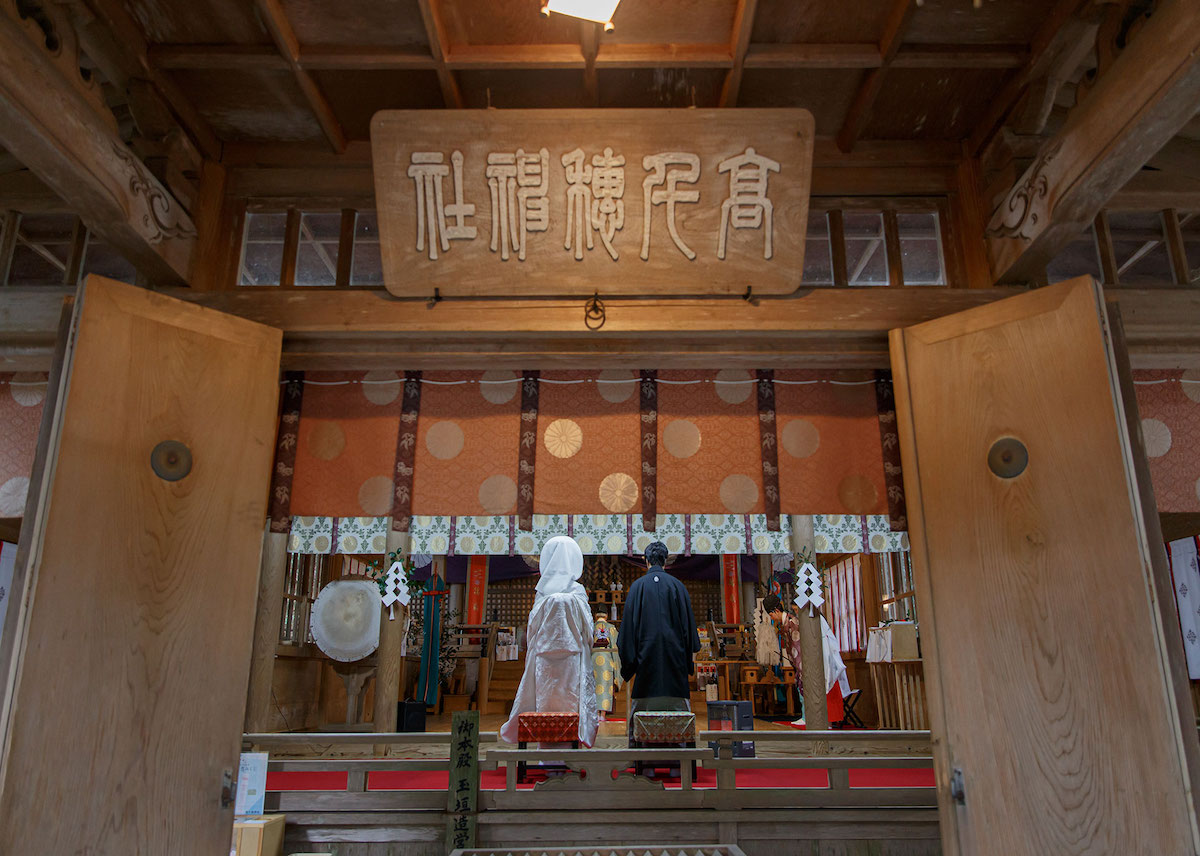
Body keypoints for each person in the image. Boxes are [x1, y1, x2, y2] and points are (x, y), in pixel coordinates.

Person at [500, 536, 599, 747]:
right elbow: (588, 630)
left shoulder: (543, 592)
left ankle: (546, 750)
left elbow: (532, 630)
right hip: (572, 659)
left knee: (546, 703)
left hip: (544, 660)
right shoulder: (577, 592)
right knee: (570, 702)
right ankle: (569, 749)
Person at [618, 541, 701, 735]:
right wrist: (688, 663)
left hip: (645, 665)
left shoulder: (637, 588)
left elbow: (627, 633)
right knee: (681, 720)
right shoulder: (678, 587)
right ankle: (679, 759)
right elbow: (689, 628)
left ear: (645, 560)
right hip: (675, 665)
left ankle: (642, 760)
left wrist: (629, 665)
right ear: (665, 561)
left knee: (640, 719)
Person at [764, 593, 851, 725]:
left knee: (808, 688)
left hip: (807, 659)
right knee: (801, 688)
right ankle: (806, 716)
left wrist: (799, 665)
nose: (772, 618)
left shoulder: (792, 622)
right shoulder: (787, 621)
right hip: (800, 660)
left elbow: (797, 646)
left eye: (771, 615)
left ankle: (809, 718)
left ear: (776, 611)